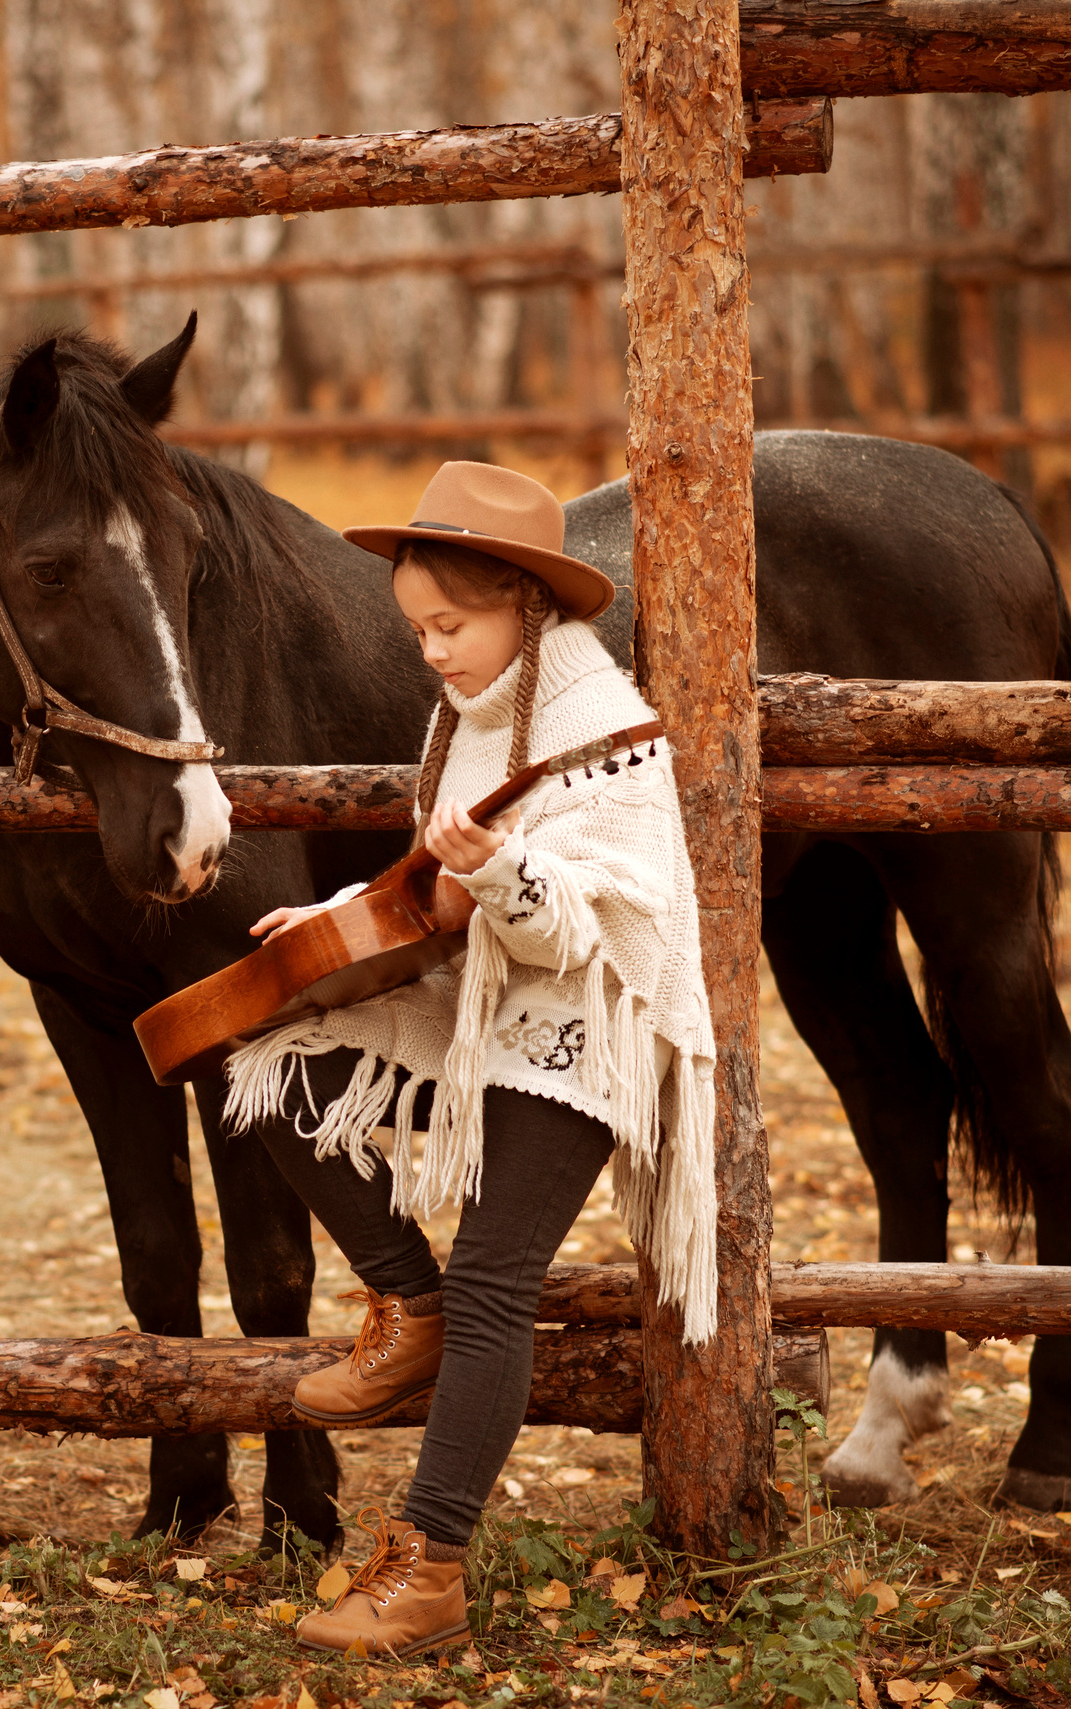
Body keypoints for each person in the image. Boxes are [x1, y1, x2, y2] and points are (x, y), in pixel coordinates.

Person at [225, 461, 719, 1657]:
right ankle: (409, 1298)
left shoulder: (605, 732)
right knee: (270, 1072)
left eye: (450, 625)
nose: (430, 651)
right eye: (416, 629)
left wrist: (495, 871)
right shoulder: (476, 713)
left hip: (588, 1023)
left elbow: (577, 924)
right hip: (480, 1003)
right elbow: (434, 890)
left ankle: (429, 1567)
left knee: (503, 1278)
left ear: (523, 605)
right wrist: (337, 917)